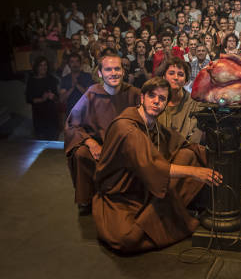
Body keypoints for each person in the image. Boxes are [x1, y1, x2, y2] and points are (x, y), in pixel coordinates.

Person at [93, 77, 222, 253]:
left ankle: (165, 213)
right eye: (152, 96)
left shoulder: (153, 126)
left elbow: (181, 143)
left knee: (188, 154)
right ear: (142, 98)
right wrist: (195, 172)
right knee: (126, 239)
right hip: (120, 196)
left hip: (145, 187)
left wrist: (216, 152)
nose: (156, 101)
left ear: (166, 104)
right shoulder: (127, 128)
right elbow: (152, 165)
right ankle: (171, 216)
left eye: (162, 99)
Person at [64, 51, 141, 215]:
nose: (113, 73)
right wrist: (90, 142)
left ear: (123, 71)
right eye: (108, 69)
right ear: (100, 73)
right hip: (98, 146)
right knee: (81, 154)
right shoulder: (92, 93)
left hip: (125, 146)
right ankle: (88, 199)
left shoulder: (134, 93)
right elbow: (72, 123)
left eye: (117, 69)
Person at [158, 57, 203, 144]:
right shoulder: (157, 101)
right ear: (164, 77)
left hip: (185, 151)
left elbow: (195, 137)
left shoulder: (195, 103)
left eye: (180, 74)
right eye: (171, 73)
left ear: (186, 81)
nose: (176, 77)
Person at [25, 56, 59, 140]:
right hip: (39, 115)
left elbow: (57, 98)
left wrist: (53, 96)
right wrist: (42, 99)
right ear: (36, 67)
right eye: (41, 65)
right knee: (41, 142)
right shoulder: (31, 81)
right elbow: (28, 99)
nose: (43, 67)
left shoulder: (51, 79)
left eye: (45, 65)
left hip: (51, 114)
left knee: (53, 140)